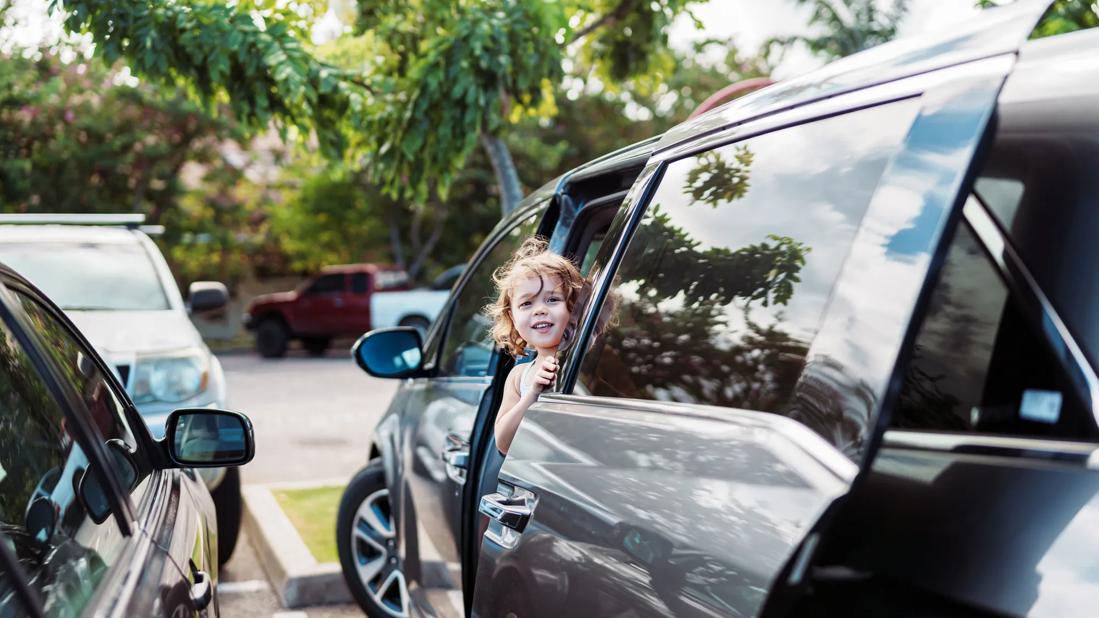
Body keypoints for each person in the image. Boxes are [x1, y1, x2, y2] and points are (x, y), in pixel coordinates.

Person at [486, 237, 585, 455]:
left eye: (552, 300)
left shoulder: (586, 363)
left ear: (575, 308)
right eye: (527, 303)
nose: (539, 310)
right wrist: (532, 396)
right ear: (512, 316)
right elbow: (503, 443)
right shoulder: (519, 377)